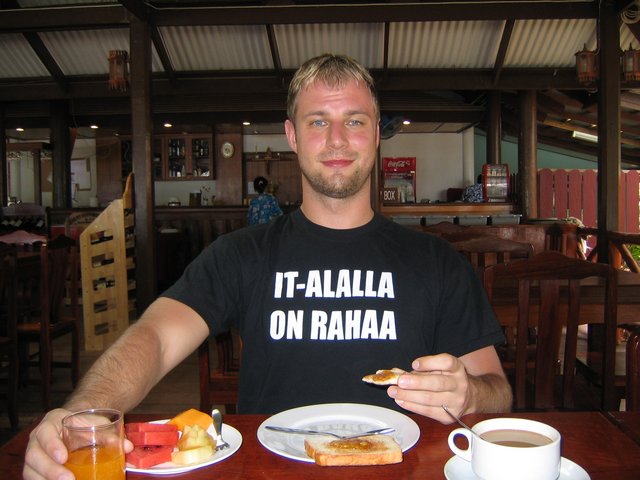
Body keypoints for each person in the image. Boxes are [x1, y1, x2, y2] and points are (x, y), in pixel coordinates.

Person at [23, 53, 511, 480]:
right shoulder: (240, 254)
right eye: (317, 121)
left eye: (354, 121)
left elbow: (497, 392)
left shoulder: (437, 261)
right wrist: (82, 414)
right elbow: (155, 336)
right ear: (292, 135)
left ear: (377, 132)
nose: (336, 139)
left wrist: (468, 395)